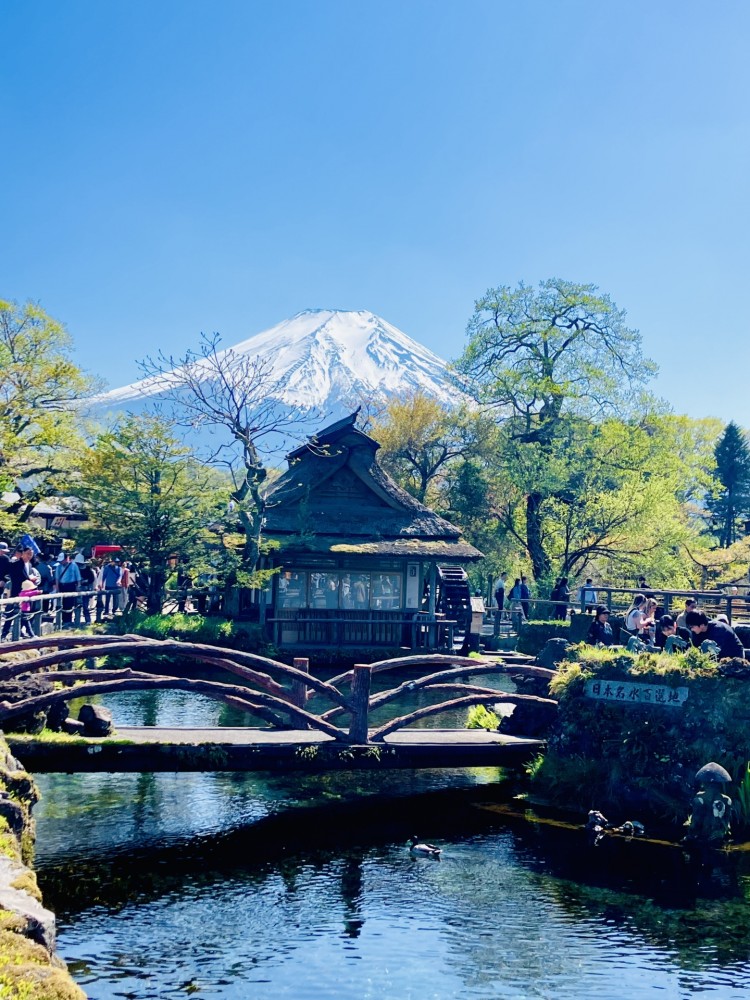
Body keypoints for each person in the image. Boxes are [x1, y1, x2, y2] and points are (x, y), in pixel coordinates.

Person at [1, 546, 35, 640]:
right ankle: (4, 634)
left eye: (31, 554)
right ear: (22, 553)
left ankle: (23, 632)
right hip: (17, 591)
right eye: (27, 553)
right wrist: (28, 579)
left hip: (27, 592)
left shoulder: (30, 564)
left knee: (25, 613)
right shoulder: (15, 564)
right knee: (11, 613)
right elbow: (13, 576)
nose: (29, 556)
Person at [55, 552, 81, 626]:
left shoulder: (73, 565)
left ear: (67, 558)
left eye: (62, 560)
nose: (61, 562)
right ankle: (62, 620)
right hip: (62, 586)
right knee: (61, 604)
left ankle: (68, 620)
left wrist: (78, 586)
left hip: (71, 586)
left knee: (69, 603)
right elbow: (57, 578)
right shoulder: (58, 567)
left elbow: (78, 576)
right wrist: (57, 588)